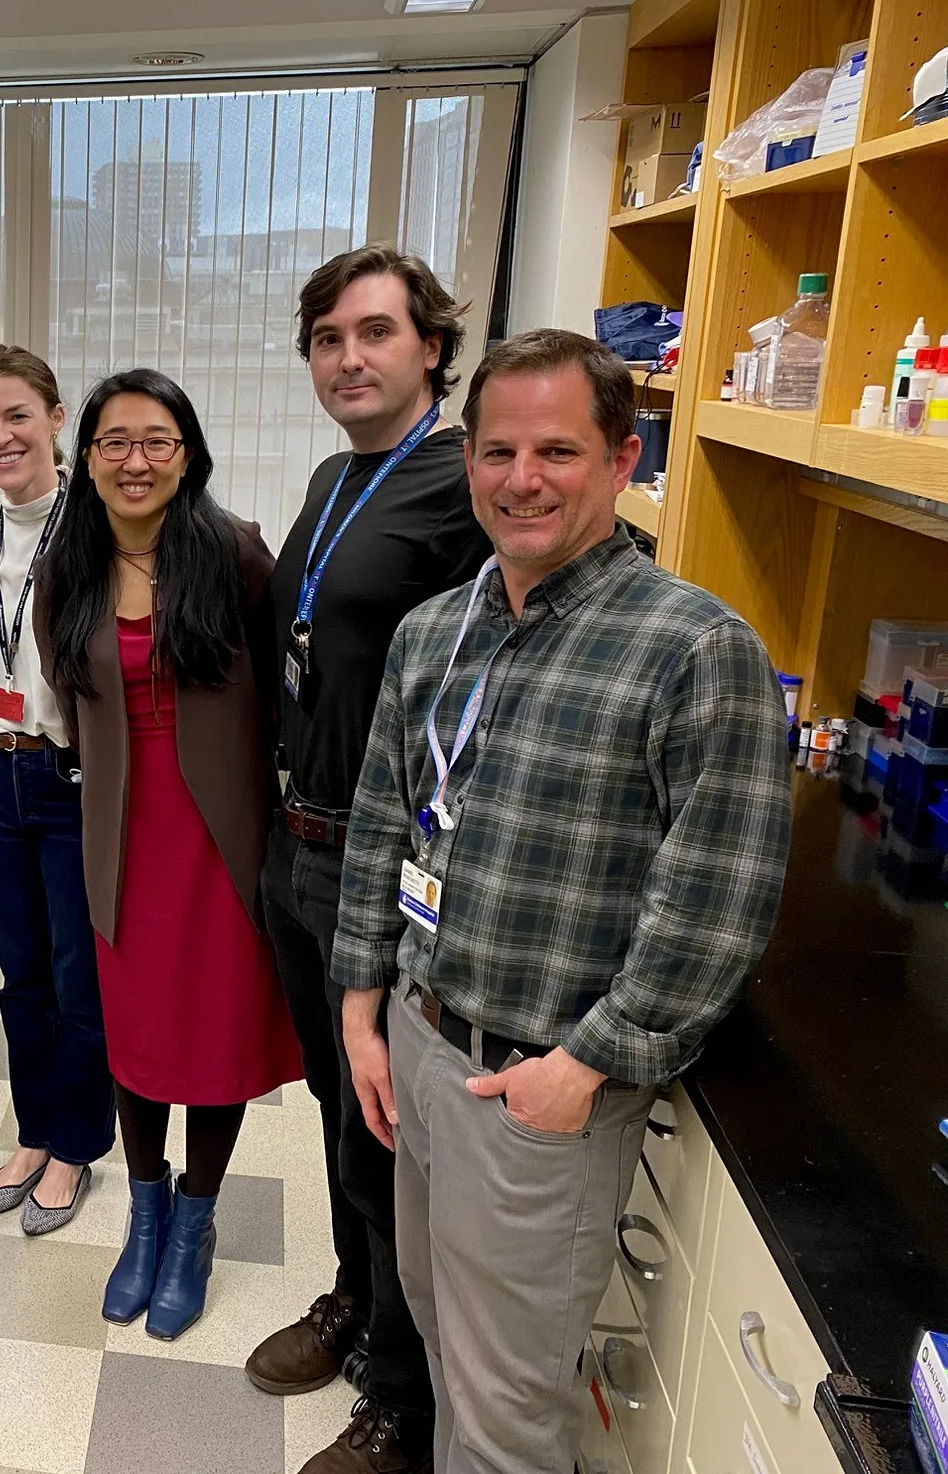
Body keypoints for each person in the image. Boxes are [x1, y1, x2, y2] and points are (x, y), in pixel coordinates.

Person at [333, 330, 792, 1474]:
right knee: (445, 1342)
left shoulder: (690, 648)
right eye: (496, 451)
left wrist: (584, 1067)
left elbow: (716, 897)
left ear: (622, 458)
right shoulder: (433, 632)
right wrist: (360, 1002)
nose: (520, 479)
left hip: (534, 1088)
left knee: (503, 1416)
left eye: (556, 451)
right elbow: (383, 823)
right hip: (420, 1047)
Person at [245, 245, 491, 1473]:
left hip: (381, 867)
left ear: (430, 348)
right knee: (339, 1118)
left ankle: (403, 1393)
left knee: (385, 1132)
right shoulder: (338, 479)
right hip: (298, 846)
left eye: (375, 333)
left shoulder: (459, 485)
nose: (347, 357)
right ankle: (354, 1297)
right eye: (327, 338)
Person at [35, 368, 302, 1341]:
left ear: (186, 454)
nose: (134, 460)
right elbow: (68, 695)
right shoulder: (66, 564)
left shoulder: (232, 555)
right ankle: (141, 1220)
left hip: (221, 840)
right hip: (120, 841)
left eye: (156, 441)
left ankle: (193, 1225)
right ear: (88, 459)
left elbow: (287, 688)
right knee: (137, 1040)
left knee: (214, 1037)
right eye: (114, 442)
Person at [0, 345, 114, 1237]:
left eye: (18, 415)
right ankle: (33, 1129)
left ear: (58, 417)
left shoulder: (93, 526)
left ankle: (77, 1146)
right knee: (19, 974)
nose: (1, 436)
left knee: (73, 974)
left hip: (66, 777)